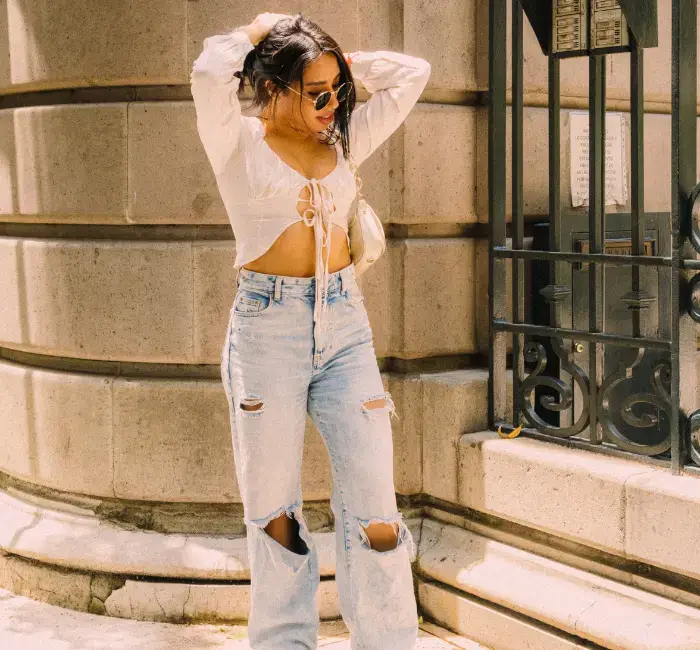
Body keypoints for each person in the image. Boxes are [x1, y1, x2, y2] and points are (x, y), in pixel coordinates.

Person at [190, 11, 431, 649]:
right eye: (315, 92)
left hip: (346, 327)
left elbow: (412, 75)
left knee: (377, 508)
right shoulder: (234, 140)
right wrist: (256, 32)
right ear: (271, 88)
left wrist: (336, 62)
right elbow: (207, 71)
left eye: (337, 92)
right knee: (274, 513)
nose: (331, 104)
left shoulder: (343, 139)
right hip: (268, 332)